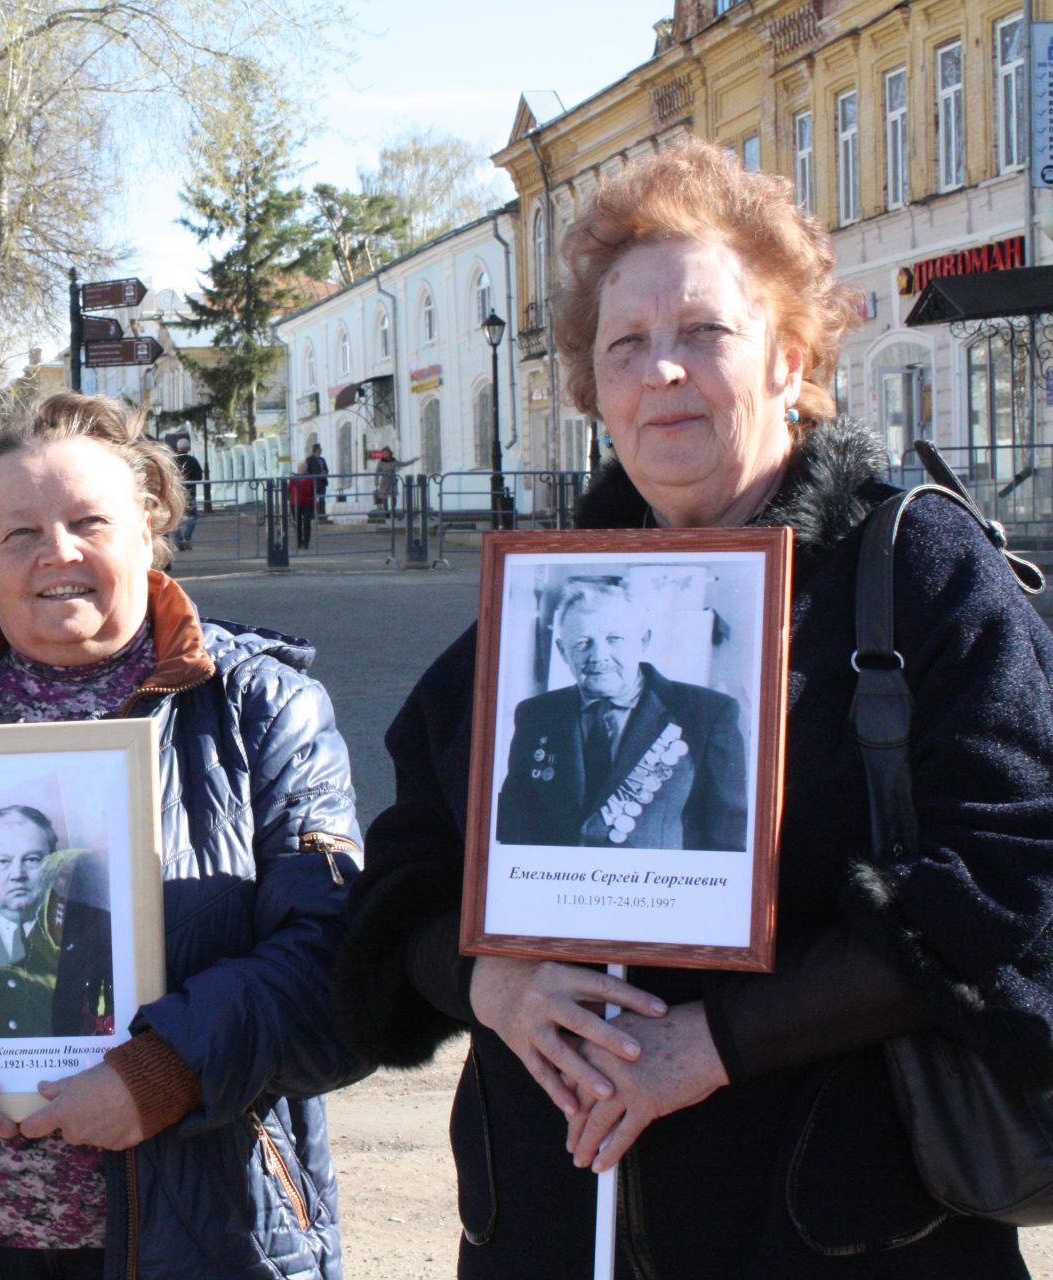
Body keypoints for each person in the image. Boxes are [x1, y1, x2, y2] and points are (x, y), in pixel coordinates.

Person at [336, 138, 1053, 1277]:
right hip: (556, 1221)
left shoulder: (917, 568)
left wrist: (712, 1041)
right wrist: (489, 980)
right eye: (626, 345)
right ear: (592, 387)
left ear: (789, 354)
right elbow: (406, 871)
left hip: (840, 1223)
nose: (660, 371)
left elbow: (1013, 879)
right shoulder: (546, 597)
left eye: (702, 333)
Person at [0, 392, 365, 1279]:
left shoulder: (261, 709)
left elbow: (337, 954)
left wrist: (166, 1074)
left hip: (195, 1235)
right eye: (20, 534)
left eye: (89, 521)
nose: (59, 555)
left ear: (149, 526)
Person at [495, 579, 746, 852]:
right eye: (582, 643)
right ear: (562, 651)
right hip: (561, 886)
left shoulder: (706, 713)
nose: (598, 656)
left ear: (643, 641)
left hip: (658, 888)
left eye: (614, 639)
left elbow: (728, 834)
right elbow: (515, 823)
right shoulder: (536, 714)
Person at [0, 805, 113, 1039]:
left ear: (53, 861)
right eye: (3, 861)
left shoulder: (96, 927)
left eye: (31, 859)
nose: (17, 874)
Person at [169, 437, 202, 552]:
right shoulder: (193, 460)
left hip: (175, 496)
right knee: (193, 517)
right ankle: (187, 539)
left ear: (177, 448)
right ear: (188, 448)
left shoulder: (172, 461)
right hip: (190, 494)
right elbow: (199, 477)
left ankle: (179, 542)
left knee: (175, 520)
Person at [288, 461, 316, 550]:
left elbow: (310, 490)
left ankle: (306, 542)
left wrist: (300, 484)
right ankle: (299, 542)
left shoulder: (310, 478)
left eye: (303, 467)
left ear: (306, 468)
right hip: (295, 503)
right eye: (300, 467)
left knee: (307, 523)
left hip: (307, 503)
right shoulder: (293, 478)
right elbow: (288, 489)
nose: (301, 469)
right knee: (297, 523)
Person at [304, 442, 329, 518]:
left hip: (322, 482)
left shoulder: (322, 459)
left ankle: (322, 516)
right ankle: (313, 515)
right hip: (314, 483)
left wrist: (325, 472)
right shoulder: (309, 459)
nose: (322, 450)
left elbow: (326, 469)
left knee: (322, 499)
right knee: (312, 500)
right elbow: (307, 471)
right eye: (320, 449)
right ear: (317, 449)